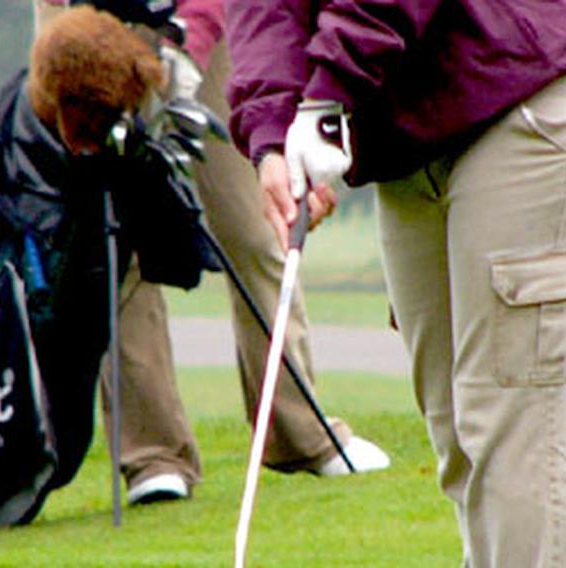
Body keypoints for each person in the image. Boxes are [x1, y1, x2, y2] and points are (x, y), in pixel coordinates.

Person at [225, 2, 566, 566]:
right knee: (457, 430)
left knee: (506, 423)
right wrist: (270, 135)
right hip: (410, 148)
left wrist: (325, 95)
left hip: (522, 101)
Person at [33, 0, 390, 507]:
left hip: (205, 22)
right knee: (115, 241)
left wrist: (186, 44)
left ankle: (298, 433)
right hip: (84, 22)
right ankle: (153, 457)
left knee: (253, 229)